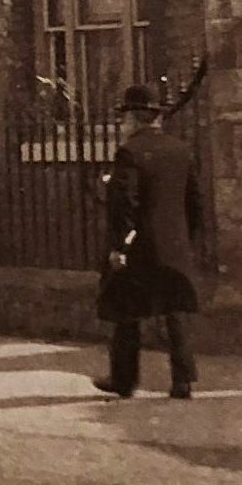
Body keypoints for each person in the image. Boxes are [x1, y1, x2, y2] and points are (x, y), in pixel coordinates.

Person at [96, 85, 203, 400]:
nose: (122, 124)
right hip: (174, 245)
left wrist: (120, 246)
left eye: (124, 117)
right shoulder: (181, 150)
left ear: (134, 118)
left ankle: (124, 379)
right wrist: (185, 237)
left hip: (141, 247)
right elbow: (195, 202)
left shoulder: (129, 152)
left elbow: (125, 205)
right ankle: (183, 381)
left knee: (126, 310)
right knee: (175, 311)